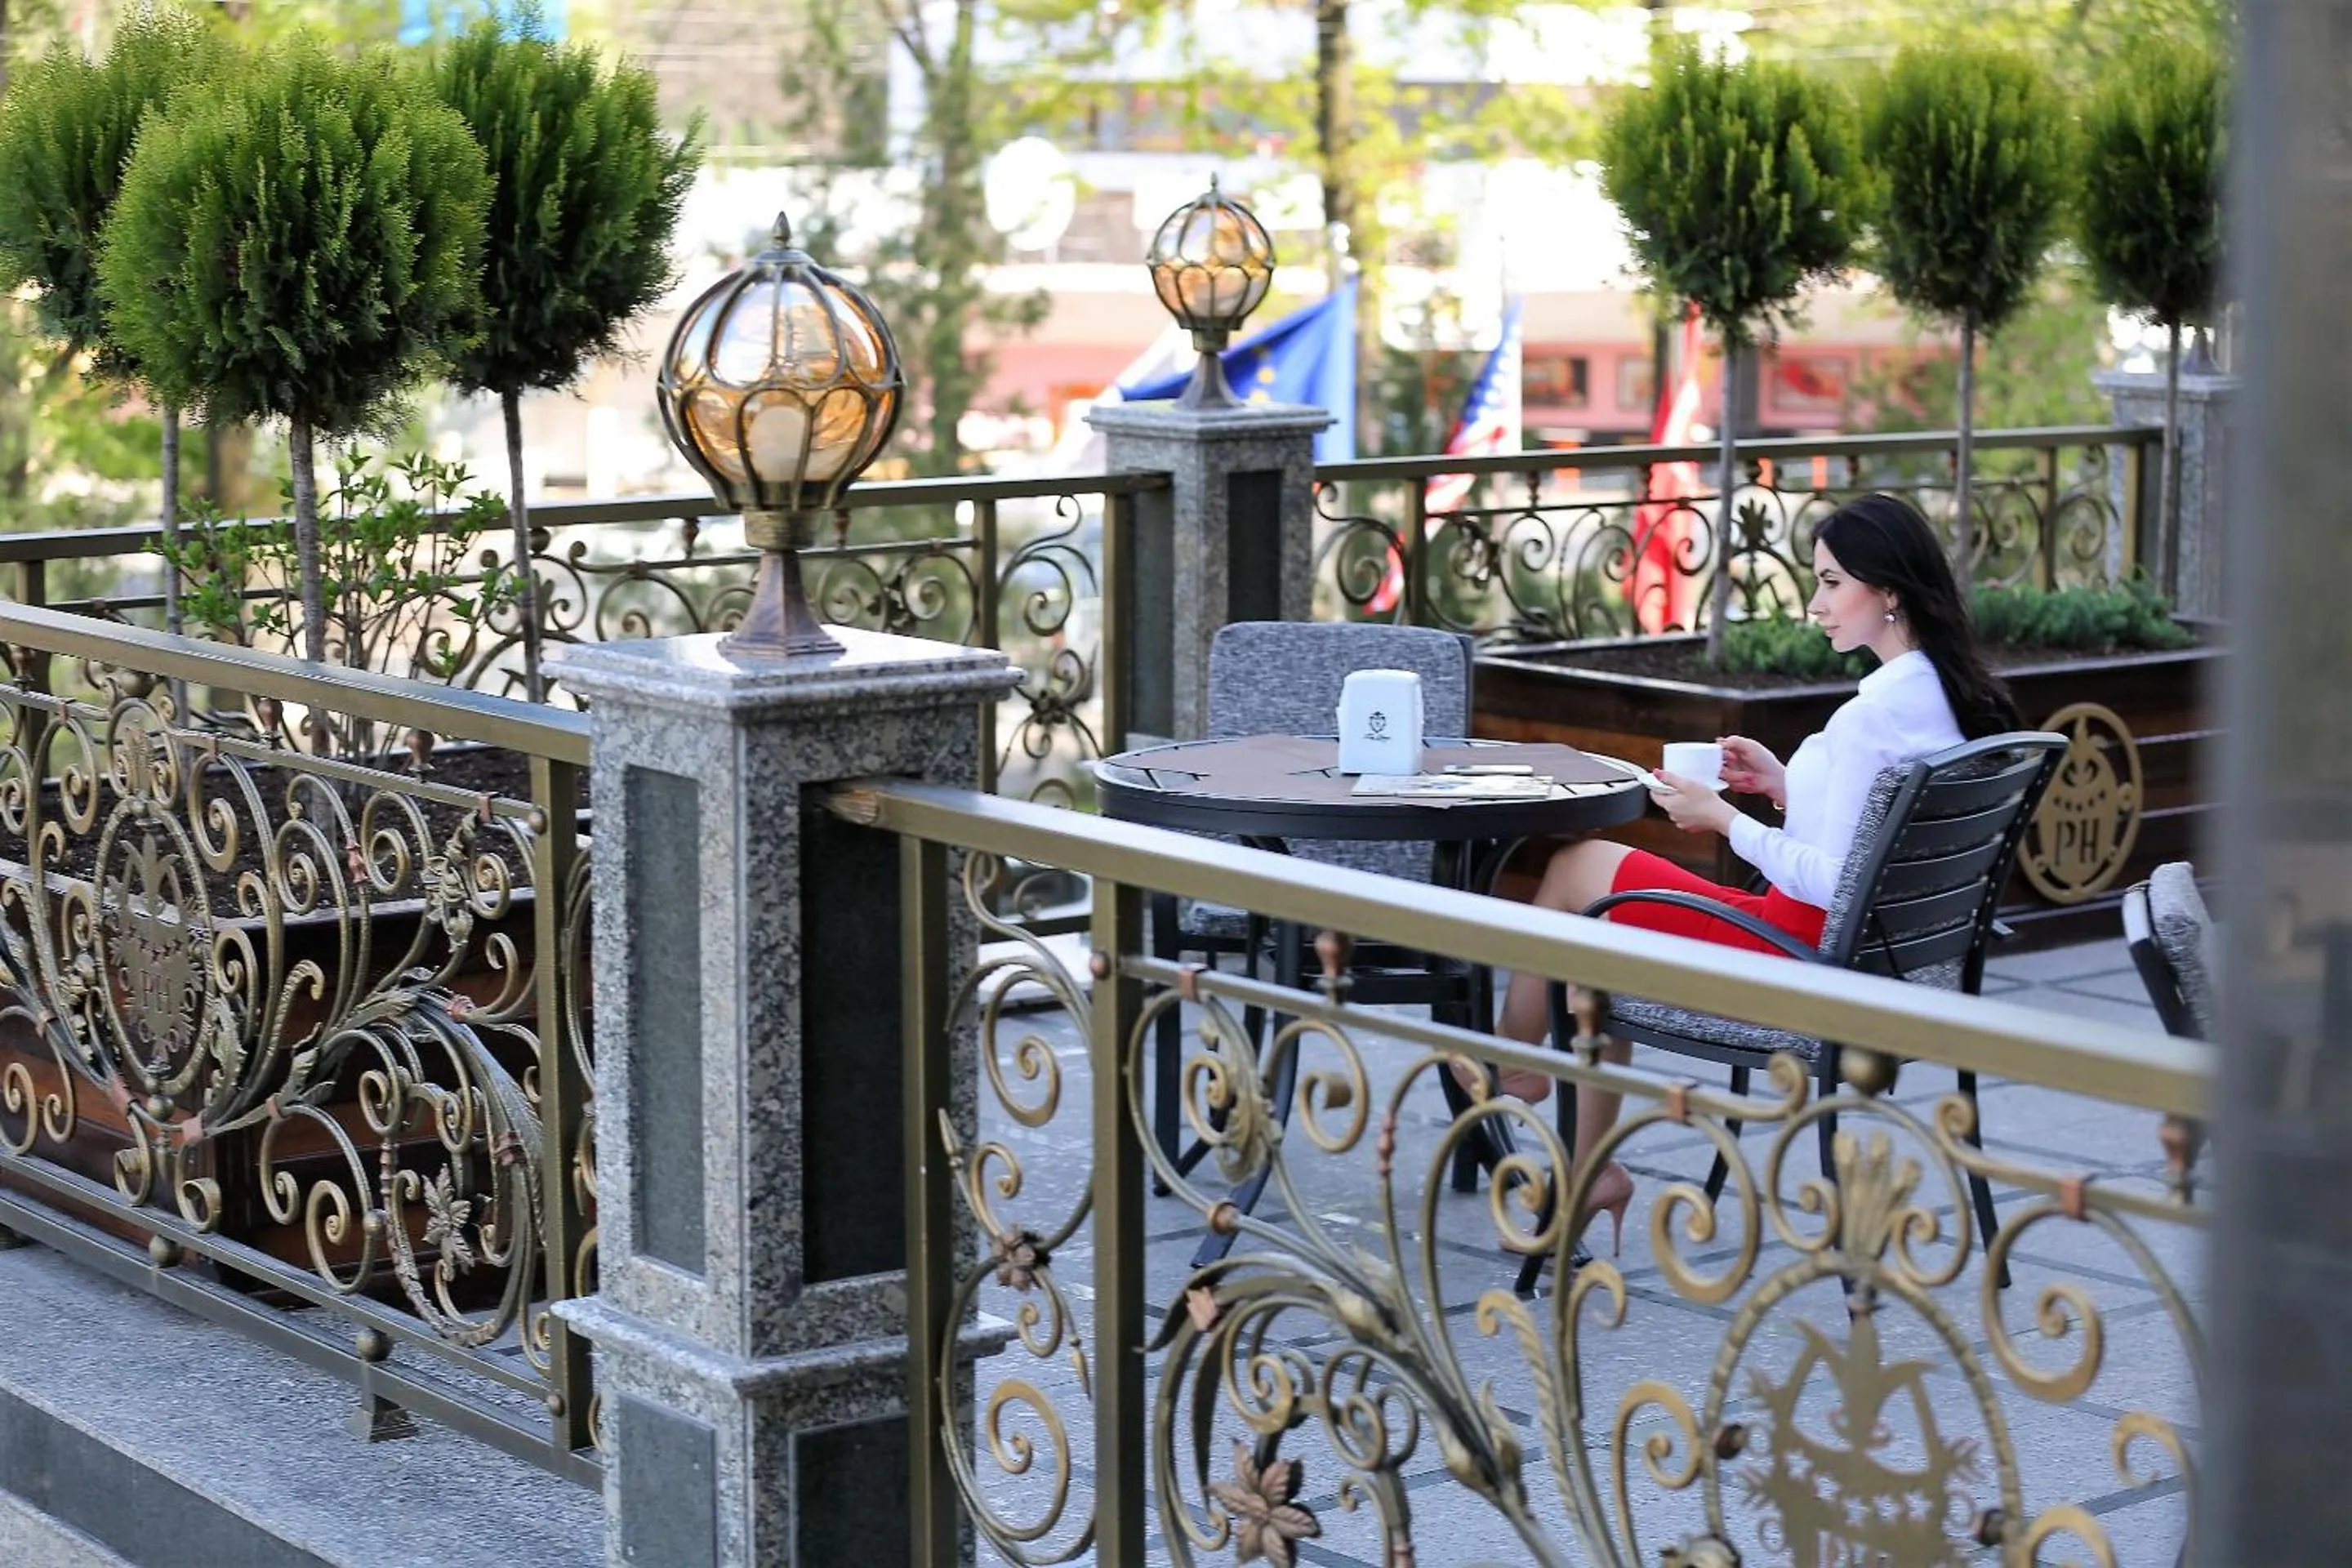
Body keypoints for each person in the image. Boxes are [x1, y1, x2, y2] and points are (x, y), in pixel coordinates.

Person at [1486, 492, 2020, 1252]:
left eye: (1833, 582)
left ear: (1890, 591)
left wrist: (1725, 820)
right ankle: (1570, 1151)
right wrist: (1783, 786)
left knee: (1577, 870)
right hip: (1877, 960)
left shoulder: (1872, 716)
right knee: (1589, 938)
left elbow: (1833, 883)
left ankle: (1511, 1074)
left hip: (1798, 961)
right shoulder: (1939, 696)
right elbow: (1869, 834)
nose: (1816, 603)